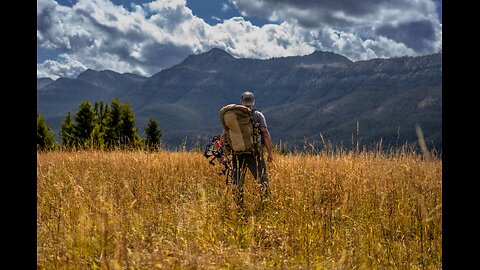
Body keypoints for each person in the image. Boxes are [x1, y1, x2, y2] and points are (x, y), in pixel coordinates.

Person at [219, 91, 273, 206]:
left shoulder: (234, 117)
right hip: (254, 154)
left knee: (237, 182)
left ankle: (239, 206)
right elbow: (265, 134)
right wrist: (269, 153)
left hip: (237, 154)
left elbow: (224, 135)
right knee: (262, 180)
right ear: (253, 102)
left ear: (241, 102)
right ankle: (266, 204)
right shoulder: (257, 115)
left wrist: (221, 153)